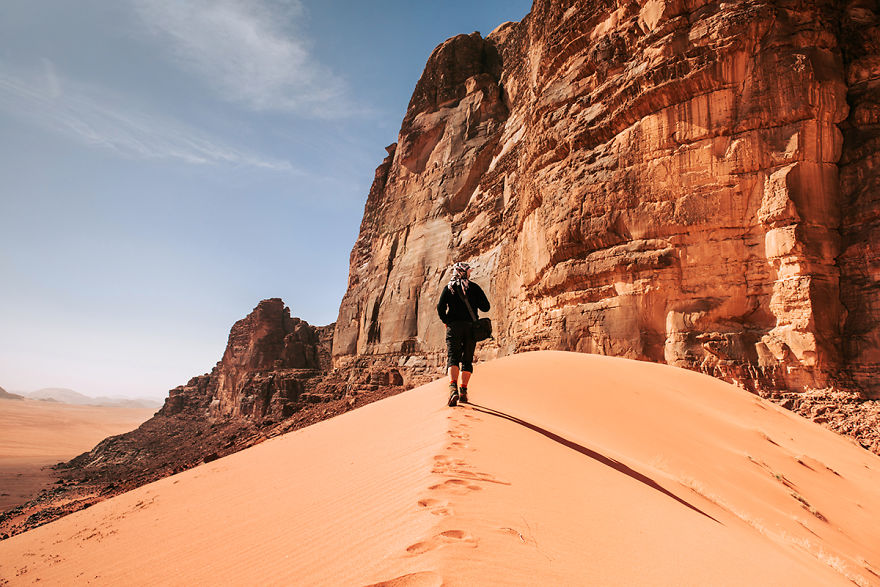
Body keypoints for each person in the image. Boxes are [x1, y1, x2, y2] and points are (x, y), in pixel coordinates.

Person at [436, 261, 490, 407]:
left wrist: (446, 320)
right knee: (467, 359)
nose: (470, 273)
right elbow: (486, 307)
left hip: (453, 327)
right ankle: (463, 391)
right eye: (469, 272)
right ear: (465, 272)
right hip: (471, 328)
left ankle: (453, 388)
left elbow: (440, 308)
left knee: (453, 358)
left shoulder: (449, 288)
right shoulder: (473, 287)